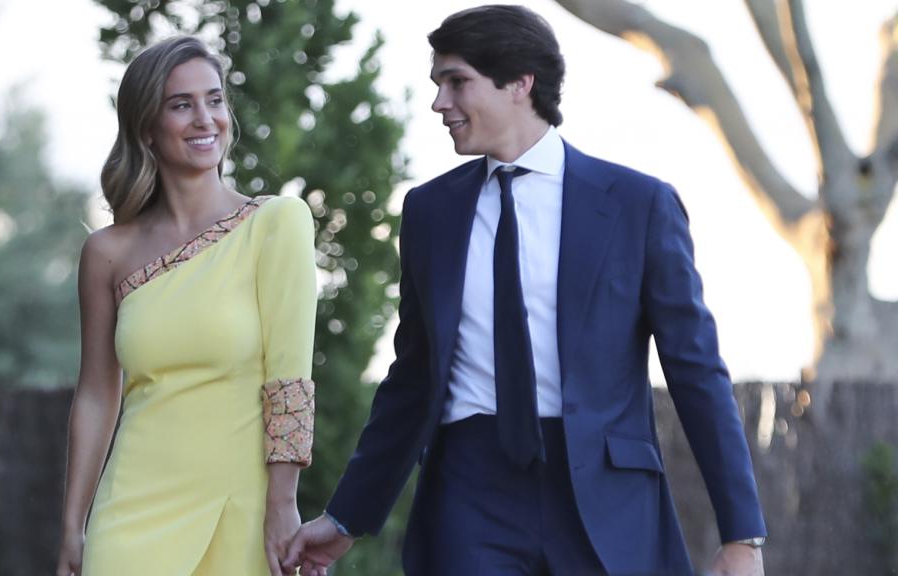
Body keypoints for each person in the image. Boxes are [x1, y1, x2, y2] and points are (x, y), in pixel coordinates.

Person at [285, 5, 766, 576]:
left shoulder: (638, 205)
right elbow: (413, 376)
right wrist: (347, 517)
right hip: (469, 493)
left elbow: (696, 369)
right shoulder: (430, 212)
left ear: (520, 82)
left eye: (457, 82)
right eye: (437, 84)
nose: (439, 102)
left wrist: (742, 535)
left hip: (605, 499)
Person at [55, 36, 317, 576]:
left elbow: (289, 381)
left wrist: (283, 503)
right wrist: (72, 527)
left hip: (243, 510)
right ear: (147, 128)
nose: (205, 119)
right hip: (130, 516)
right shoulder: (106, 252)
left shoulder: (276, 223)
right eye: (181, 105)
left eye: (214, 100)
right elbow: (97, 395)